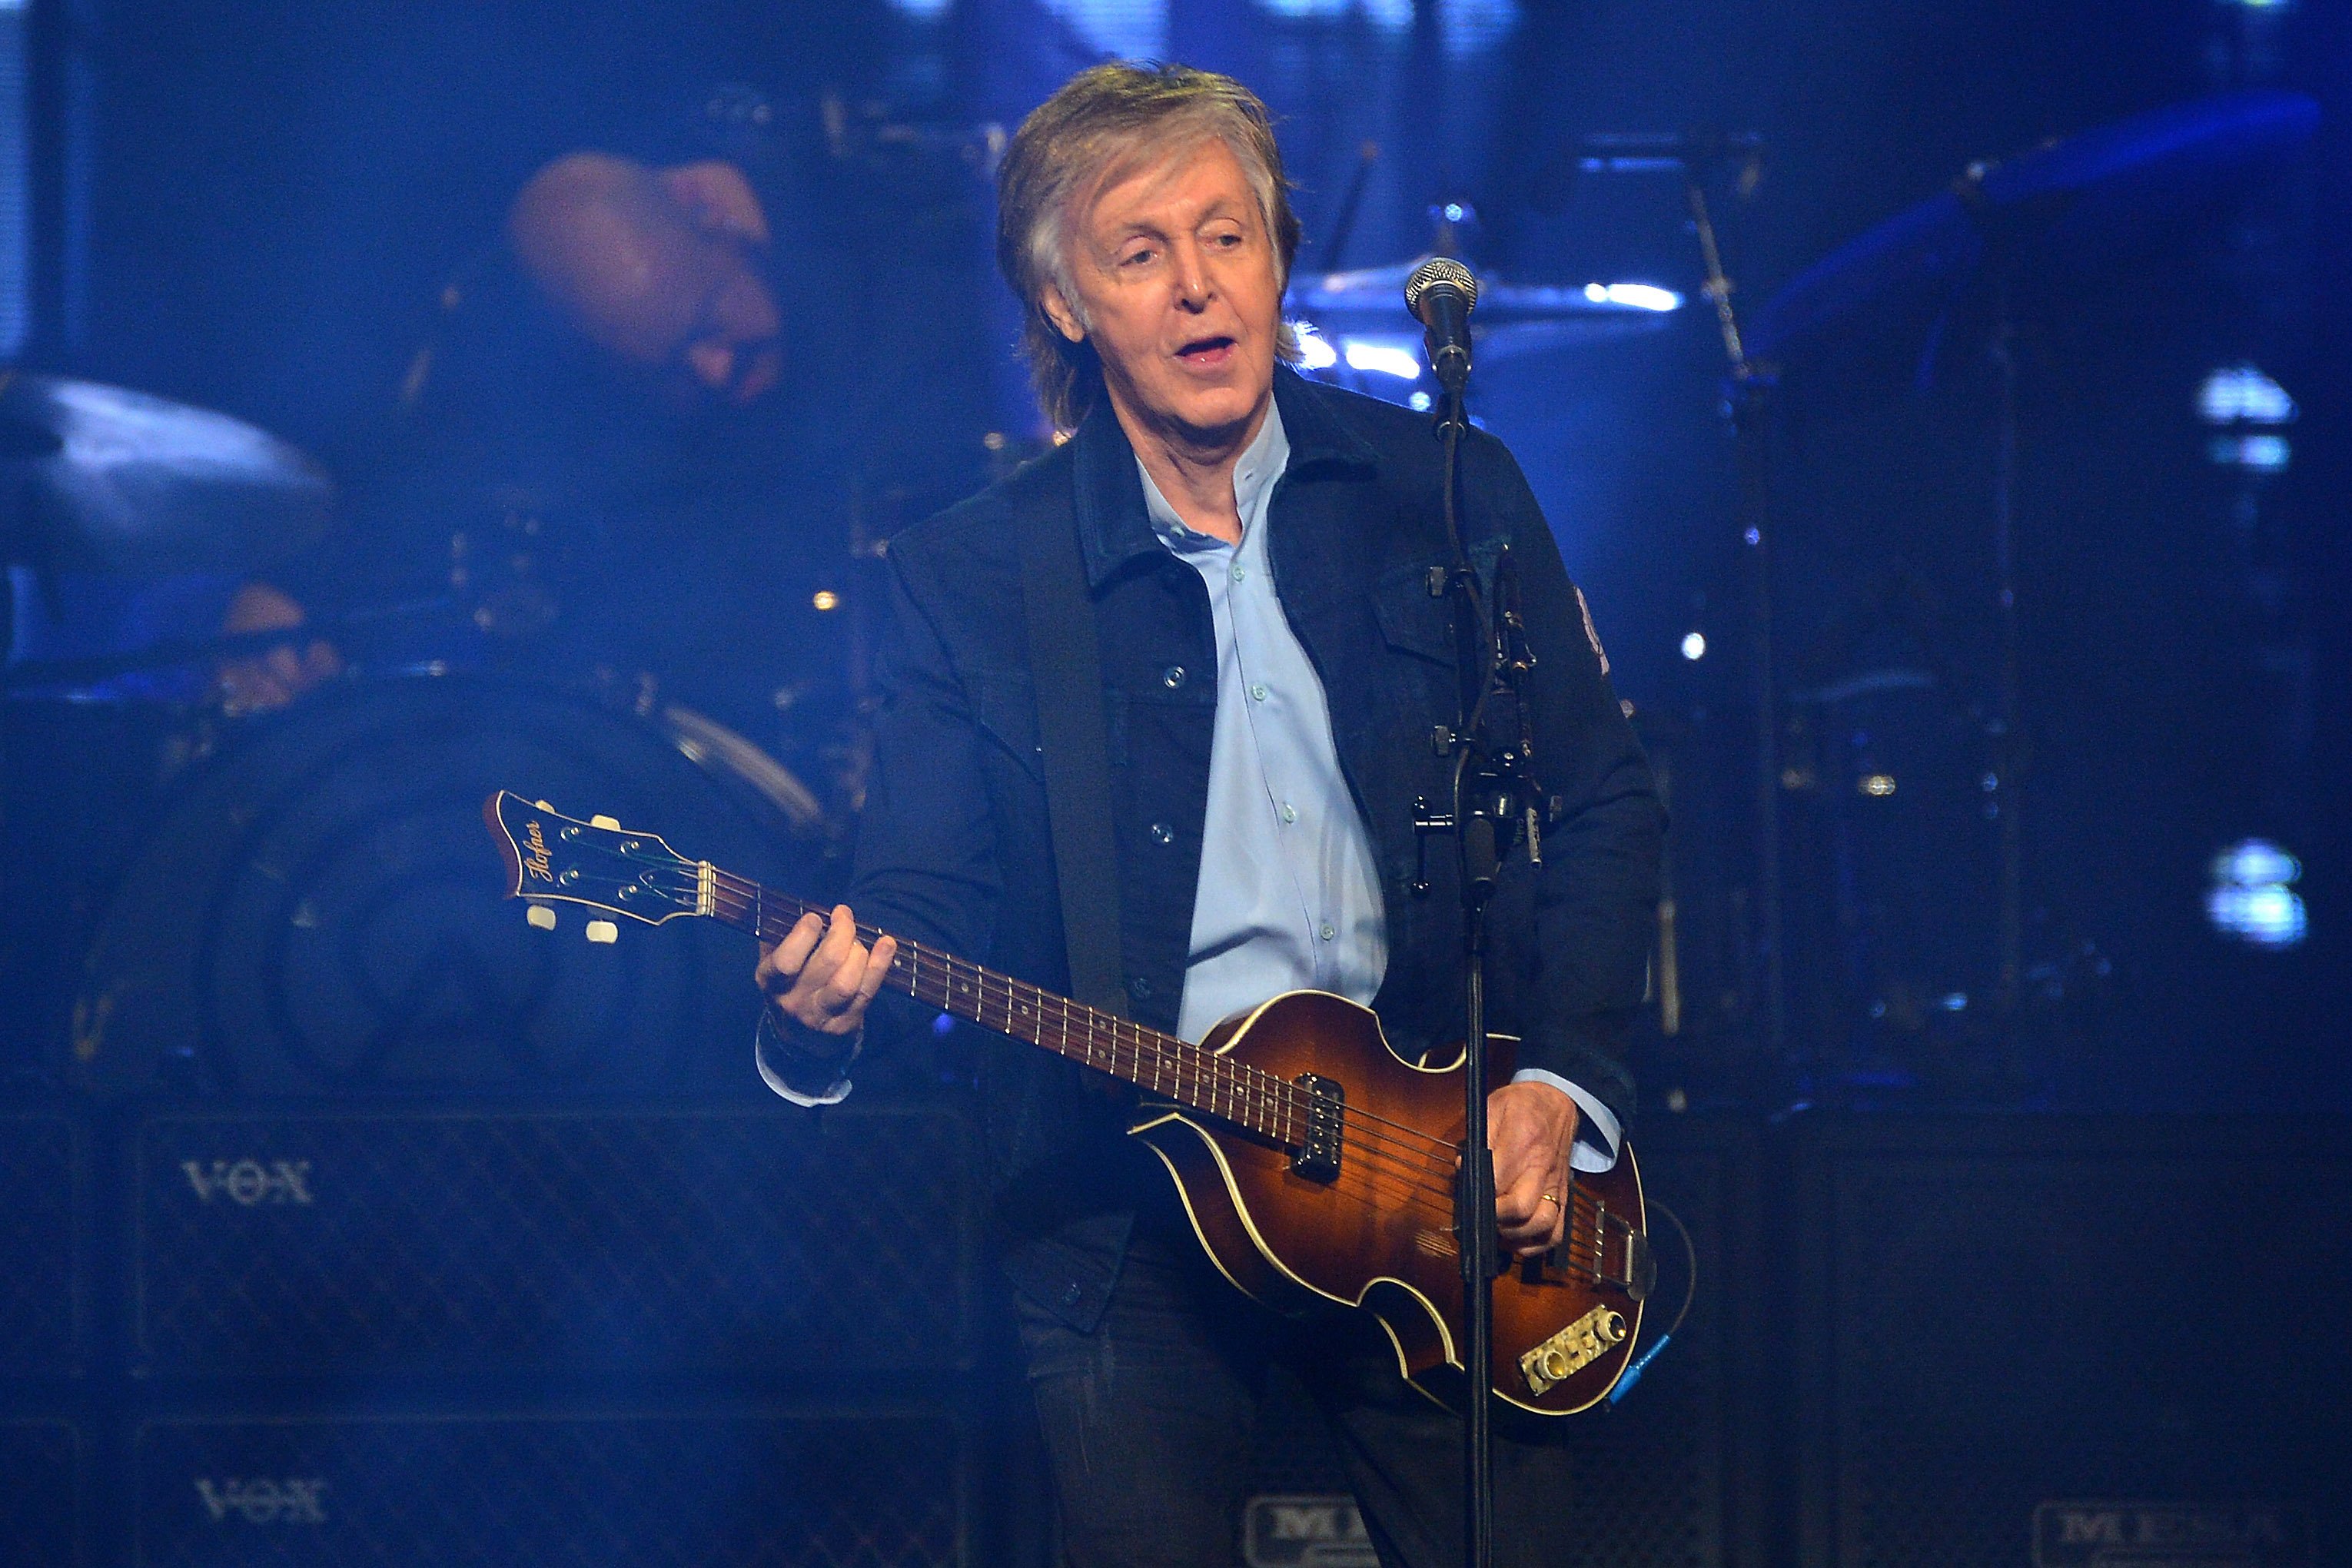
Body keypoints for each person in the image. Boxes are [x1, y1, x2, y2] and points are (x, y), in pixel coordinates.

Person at [753, 63, 1663, 1568]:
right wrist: (814, 1018)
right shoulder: (970, 577)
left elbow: (1601, 798)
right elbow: (922, 902)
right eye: (1141, 252)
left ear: (1277, 256)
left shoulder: (1446, 492)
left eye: (1227, 235)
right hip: (1125, 1209)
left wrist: (1560, 1081)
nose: (1199, 287)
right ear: (1064, 303)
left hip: (1428, 1178)